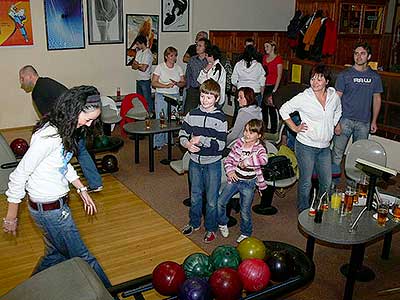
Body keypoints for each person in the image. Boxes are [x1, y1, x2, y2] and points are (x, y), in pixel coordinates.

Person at [2, 86, 112, 288]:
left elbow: (61, 163)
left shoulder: (64, 130)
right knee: (85, 259)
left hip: (50, 208)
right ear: (73, 110)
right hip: (51, 211)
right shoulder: (48, 137)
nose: (88, 125)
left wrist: (81, 188)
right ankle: (111, 293)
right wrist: (11, 216)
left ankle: (29, 291)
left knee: (54, 255)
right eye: (87, 119)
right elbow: (19, 175)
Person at [18, 65, 103, 193]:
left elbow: (48, 115)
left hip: (69, 125)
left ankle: (90, 183)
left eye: (22, 78)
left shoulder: (38, 91)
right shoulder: (47, 82)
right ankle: (94, 182)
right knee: (80, 152)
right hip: (72, 123)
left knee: (73, 153)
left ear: (30, 76)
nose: (21, 82)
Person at [279, 64, 342, 213]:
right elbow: (284, 109)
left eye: (319, 79)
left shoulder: (333, 96)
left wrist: (333, 123)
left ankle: (319, 207)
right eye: (313, 79)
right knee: (306, 182)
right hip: (306, 145)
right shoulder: (304, 97)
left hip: (325, 147)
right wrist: (294, 128)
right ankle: (303, 211)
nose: (315, 82)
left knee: (326, 182)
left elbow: (338, 110)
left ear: (327, 81)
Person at [179, 79, 227, 243]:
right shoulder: (192, 114)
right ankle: (194, 223)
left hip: (212, 163)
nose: (204, 100)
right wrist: (186, 144)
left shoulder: (221, 118)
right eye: (202, 96)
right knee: (195, 196)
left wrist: (202, 140)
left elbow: (220, 145)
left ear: (217, 98)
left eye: (209, 97)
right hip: (194, 162)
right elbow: (183, 133)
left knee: (212, 199)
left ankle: (211, 228)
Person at [331, 42, 383, 178]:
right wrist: (336, 122)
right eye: (356, 53)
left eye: (362, 53)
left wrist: (374, 121)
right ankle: (331, 186)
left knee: (358, 157)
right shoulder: (345, 75)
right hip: (345, 120)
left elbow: (377, 99)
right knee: (336, 155)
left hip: (364, 123)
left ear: (369, 56)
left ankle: (352, 187)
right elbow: (336, 99)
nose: (358, 56)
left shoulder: (375, 77)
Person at [217, 119, 268, 243]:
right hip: (235, 179)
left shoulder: (259, 148)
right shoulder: (239, 143)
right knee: (220, 202)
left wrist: (247, 162)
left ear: (259, 135)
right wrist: (230, 171)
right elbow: (228, 160)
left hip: (248, 184)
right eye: (245, 130)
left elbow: (264, 160)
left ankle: (246, 232)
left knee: (245, 209)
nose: (246, 134)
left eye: (251, 132)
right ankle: (222, 222)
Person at [151, 47, 185, 150]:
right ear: (166, 56)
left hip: (174, 95)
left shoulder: (178, 68)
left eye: (175, 55)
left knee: (172, 119)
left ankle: (168, 140)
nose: (173, 58)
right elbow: (153, 83)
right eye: (171, 55)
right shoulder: (160, 67)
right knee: (161, 119)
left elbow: (183, 82)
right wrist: (165, 86)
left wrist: (177, 83)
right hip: (161, 95)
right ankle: (158, 142)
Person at [231, 45, 265, 110]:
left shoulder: (238, 64)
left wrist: (238, 85)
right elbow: (262, 83)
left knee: (240, 114)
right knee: (254, 116)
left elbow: (233, 80)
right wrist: (262, 95)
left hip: (241, 93)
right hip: (255, 93)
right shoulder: (258, 65)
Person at [184, 37, 211, 113]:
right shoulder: (192, 59)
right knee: (188, 113)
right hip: (193, 90)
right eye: (197, 45)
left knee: (205, 112)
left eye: (200, 46)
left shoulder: (209, 60)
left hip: (206, 91)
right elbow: (188, 75)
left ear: (205, 48)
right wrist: (188, 88)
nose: (197, 47)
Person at [262, 40, 283, 133]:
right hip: (265, 85)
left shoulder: (278, 59)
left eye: (267, 46)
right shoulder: (264, 58)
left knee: (272, 109)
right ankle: (264, 127)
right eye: (265, 47)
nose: (265, 49)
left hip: (273, 85)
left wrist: (275, 89)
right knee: (264, 109)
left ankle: (274, 130)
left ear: (273, 47)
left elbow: (279, 75)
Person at [131, 35, 154, 114]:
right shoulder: (139, 52)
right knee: (139, 100)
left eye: (137, 44)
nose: (136, 46)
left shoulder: (148, 53)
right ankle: (141, 115)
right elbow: (133, 66)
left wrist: (138, 65)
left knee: (147, 100)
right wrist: (139, 65)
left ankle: (150, 115)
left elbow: (144, 69)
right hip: (138, 79)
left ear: (142, 43)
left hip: (145, 80)